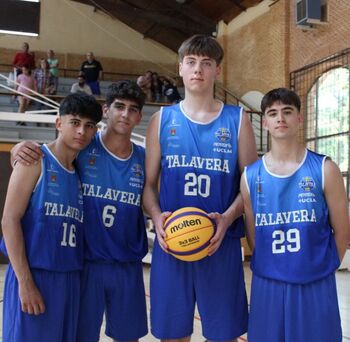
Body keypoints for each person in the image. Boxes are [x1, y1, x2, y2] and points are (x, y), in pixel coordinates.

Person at [11, 80, 149, 342]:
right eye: (119, 107)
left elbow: (152, 196)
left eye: (133, 109)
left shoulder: (144, 157)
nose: (125, 114)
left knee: (129, 337)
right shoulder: (84, 146)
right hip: (85, 264)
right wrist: (18, 150)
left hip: (127, 264)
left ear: (140, 116)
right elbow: (45, 155)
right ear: (106, 110)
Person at [143, 34, 257, 341]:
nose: (198, 70)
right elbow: (148, 185)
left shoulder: (238, 119)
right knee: (172, 336)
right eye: (191, 63)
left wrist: (228, 218)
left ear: (217, 70)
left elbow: (251, 186)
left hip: (219, 244)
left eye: (206, 63)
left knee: (224, 336)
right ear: (180, 68)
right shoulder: (162, 119)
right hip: (173, 244)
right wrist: (156, 219)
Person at [240, 88, 350, 342]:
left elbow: (342, 232)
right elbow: (253, 234)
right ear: (264, 122)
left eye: (287, 112)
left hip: (314, 282)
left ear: (299, 118)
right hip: (268, 283)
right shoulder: (250, 176)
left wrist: (322, 266)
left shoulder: (325, 168)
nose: (281, 118)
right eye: (273, 113)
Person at [1, 93, 102, 342]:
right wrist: (25, 283)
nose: (81, 131)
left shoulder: (81, 173)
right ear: (59, 123)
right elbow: (9, 220)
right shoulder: (34, 160)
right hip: (35, 274)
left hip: (69, 278)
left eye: (89, 126)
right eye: (75, 122)